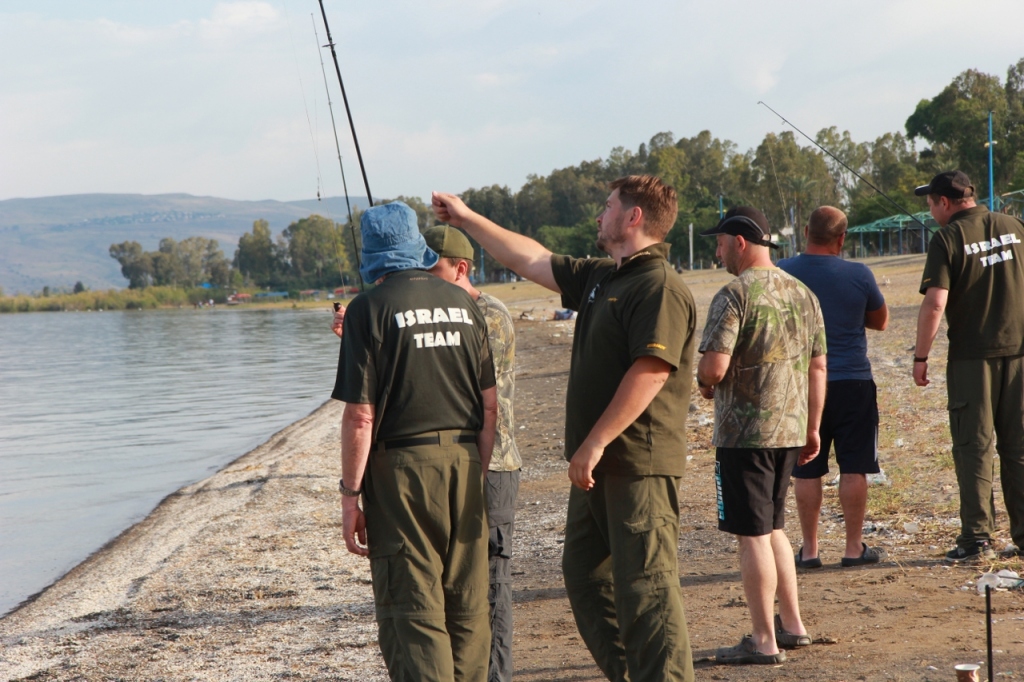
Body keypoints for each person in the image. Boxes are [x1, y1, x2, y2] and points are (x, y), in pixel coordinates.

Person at [432, 175, 696, 682]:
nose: (600, 215)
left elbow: (651, 372)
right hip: (595, 471)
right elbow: (529, 258)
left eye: (608, 206)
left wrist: (595, 442)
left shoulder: (658, 286)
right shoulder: (603, 276)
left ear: (634, 217)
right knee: (584, 577)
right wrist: (466, 218)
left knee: (648, 590)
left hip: (636, 466)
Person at [332, 225, 521, 682]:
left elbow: (361, 417)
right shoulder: (466, 305)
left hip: (401, 475)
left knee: (414, 611)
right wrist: (473, 474)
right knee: (468, 606)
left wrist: (350, 497)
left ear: (374, 257)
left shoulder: (367, 309)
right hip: (467, 461)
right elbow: (489, 405)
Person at [695, 206, 826, 665]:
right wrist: (812, 426)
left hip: (744, 435)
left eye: (719, 242)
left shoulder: (734, 295)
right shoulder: (803, 293)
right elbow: (818, 365)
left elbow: (713, 366)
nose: (717, 250)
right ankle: (793, 624)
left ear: (740, 242)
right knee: (774, 528)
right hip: (791, 429)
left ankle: (763, 639)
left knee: (751, 534)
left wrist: (704, 381)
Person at [913, 170, 1024, 562]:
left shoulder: (946, 238)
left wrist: (920, 356)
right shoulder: (1015, 226)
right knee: (1019, 447)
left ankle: (977, 538)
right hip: (1020, 355)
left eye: (930, 203)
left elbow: (935, 302)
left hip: (972, 360)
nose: (929, 211)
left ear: (945, 201)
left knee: (974, 447)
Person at [778, 206, 889, 568]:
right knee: (854, 467)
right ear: (842, 239)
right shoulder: (859, 274)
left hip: (802, 384)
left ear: (806, 230)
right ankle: (853, 547)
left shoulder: (782, 272)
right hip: (853, 381)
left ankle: (809, 550)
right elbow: (880, 321)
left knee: (806, 468)